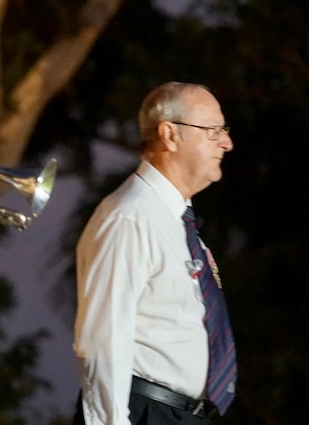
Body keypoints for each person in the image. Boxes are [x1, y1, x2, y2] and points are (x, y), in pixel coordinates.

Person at [72, 82, 237, 424]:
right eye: (213, 131)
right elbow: (104, 342)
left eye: (225, 130)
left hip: (181, 414)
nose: (226, 142)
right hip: (146, 412)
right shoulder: (130, 217)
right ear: (170, 135)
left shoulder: (177, 224)